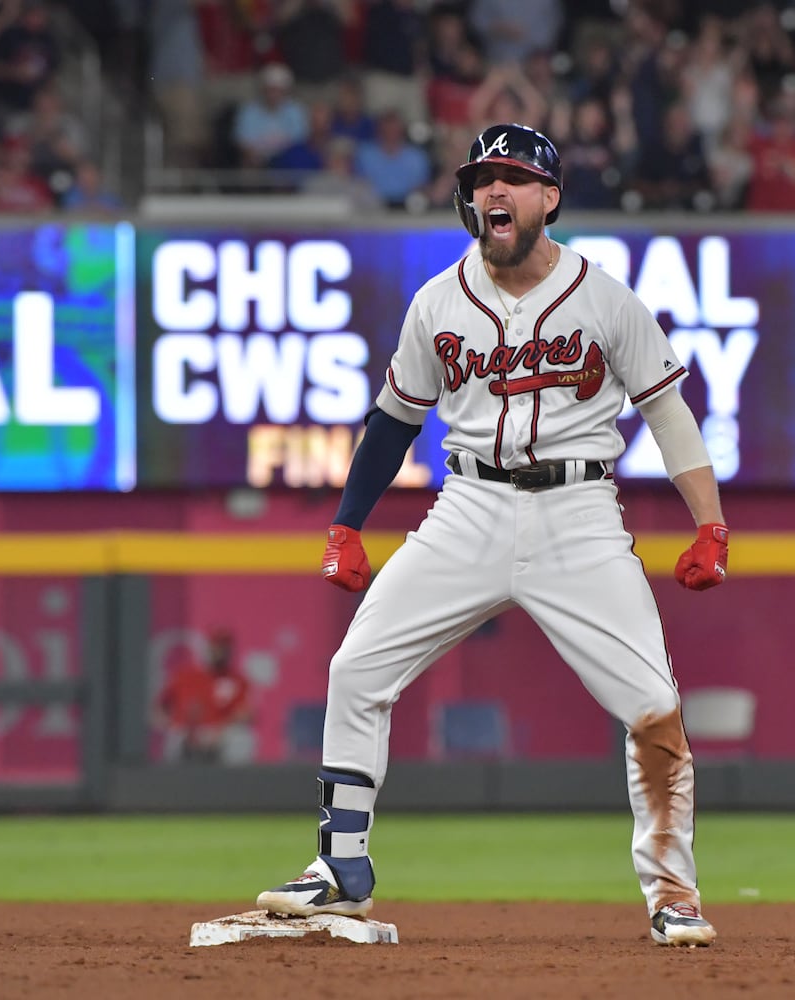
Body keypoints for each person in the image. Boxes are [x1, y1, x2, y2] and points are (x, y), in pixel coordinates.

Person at [256, 122, 729, 949]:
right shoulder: (438, 301)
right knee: (356, 669)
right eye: (482, 179)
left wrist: (710, 522)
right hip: (466, 507)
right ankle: (340, 870)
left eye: (512, 177)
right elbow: (392, 421)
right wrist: (346, 522)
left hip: (578, 517)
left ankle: (673, 892)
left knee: (654, 705)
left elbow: (667, 411)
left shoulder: (605, 297)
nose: (494, 191)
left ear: (549, 196)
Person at [154, 628, 253, 764]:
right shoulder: (186, 676)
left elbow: (245, 714)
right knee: (173, 738)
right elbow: (159, 709)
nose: (219, 652)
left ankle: (236, 783)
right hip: (186, 732)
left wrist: (220, 731)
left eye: (223, 647)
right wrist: (174, 725)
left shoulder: (238, 680)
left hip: (219, 733)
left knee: (241, 738)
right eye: (215, 646)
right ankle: (168, 782)